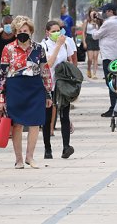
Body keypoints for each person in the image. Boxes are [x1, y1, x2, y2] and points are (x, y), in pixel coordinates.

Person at [0, 16, 52, 169]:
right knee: (17, 124)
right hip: (15, 87)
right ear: (15, 33)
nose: (23, 33)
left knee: (35, 123)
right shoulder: (8, 49)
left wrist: (48, 93)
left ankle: (30, 157)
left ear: (31, 32)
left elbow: (45, 71)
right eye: (20, 31)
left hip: (34, 87)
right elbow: (2, 74)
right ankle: (19, 159)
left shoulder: (38, 48)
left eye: (26, 31)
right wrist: (1, 98)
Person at [40, 20, 77, 160]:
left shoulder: (66, 43)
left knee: (64, 116)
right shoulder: (43, 45)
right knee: (47, 117)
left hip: (63, 86)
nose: (57, 33)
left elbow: (70, 61)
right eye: (54, 31)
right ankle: (47, 149)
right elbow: (48, 64)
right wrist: (58, 45)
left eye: (58, 30)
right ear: (47, 32)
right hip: (49, 85)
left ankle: (66, 147)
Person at [91, 3, 117, 117]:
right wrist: (97, 15)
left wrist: (95, 24)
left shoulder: (109, 23)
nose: (103, 13)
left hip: (109, 56)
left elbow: (95, 35)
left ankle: (114, 107)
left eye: (105, 11)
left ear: (109, 11)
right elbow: (103, 17)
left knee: (110, 82)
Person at [83, 8, 101, 79]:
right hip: (89, 38)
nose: (93, 14)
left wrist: (97, 21)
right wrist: (84, 42)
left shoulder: (98, 22)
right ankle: (88, 68)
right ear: (90, 14)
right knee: (90, 58)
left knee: (95, 57)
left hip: (96, 38)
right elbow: (83, 33)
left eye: (95, 13)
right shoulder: (86, 22)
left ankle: (94, 74)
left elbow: (101, 30)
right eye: (92, 13)